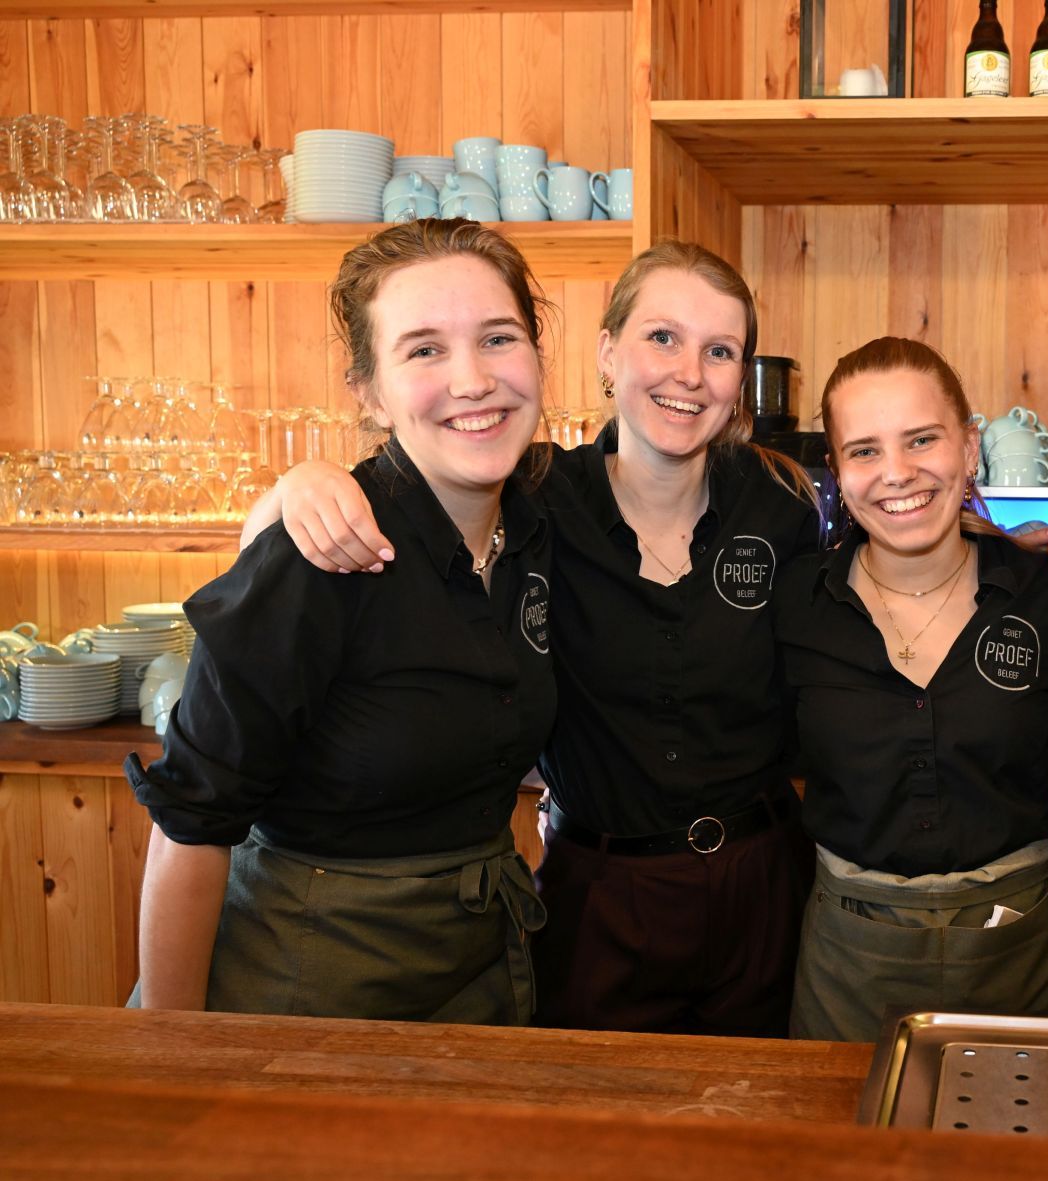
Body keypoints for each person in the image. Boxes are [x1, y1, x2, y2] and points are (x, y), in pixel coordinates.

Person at [253, 241, 823, 1036]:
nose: (689, 373)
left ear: (740, 381)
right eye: (662, 337)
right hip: (600, 893)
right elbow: (400, 499)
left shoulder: (781, 507)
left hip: (762, 885)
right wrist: (300, 483)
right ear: (607, 353)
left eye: (719, 351)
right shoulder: (534, 495)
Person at [128, 218, 557, 1021]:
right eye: (423, 350)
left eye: (498, 339)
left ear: (537, 355)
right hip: (300, 978)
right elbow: (191, 822)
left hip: (478, 971)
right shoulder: (316, 556)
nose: (472, 380)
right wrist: (173, 1054)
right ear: (368, 390)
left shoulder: (539, 520)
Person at [776, 337, 1048, 1042]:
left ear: (970, 447)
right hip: (847, 961)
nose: (897, 472)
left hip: (1023, 950)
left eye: (922, 439)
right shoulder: (794, 603)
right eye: (865, 450)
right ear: (837, 471)